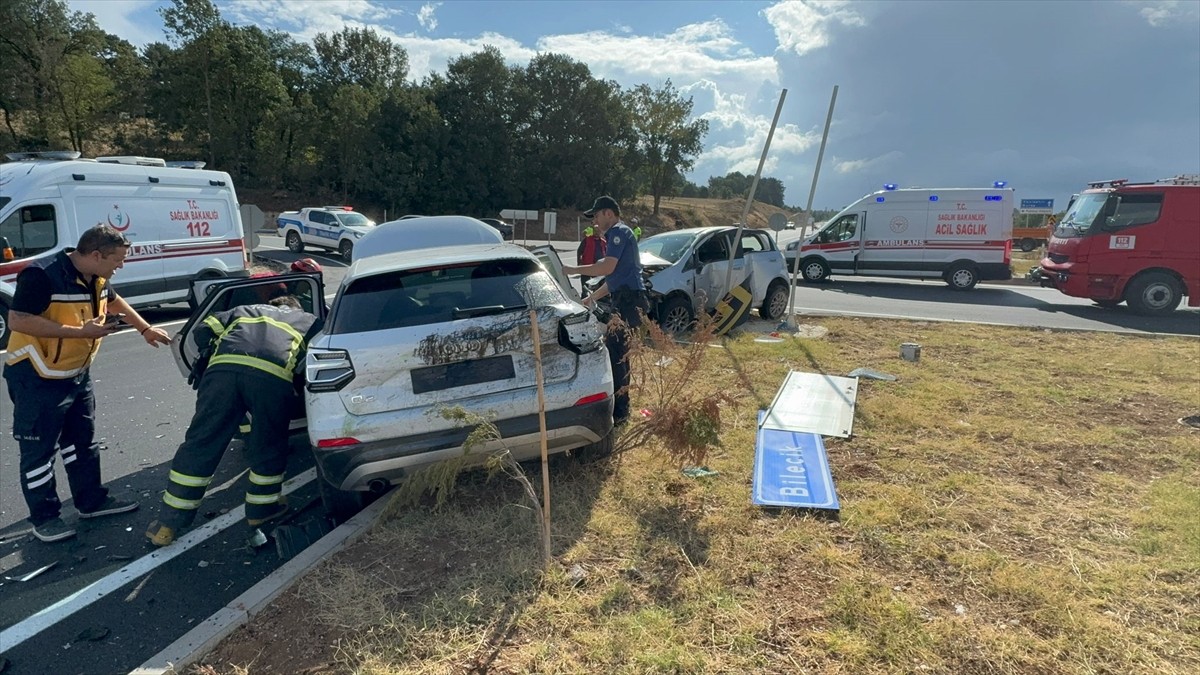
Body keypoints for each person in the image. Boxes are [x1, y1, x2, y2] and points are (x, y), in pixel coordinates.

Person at [5, 225, 172, 543]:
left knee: (82, 443)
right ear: (96, 255)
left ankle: (91, 502)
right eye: (118, 260)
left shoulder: (97, 275)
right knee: (39, 452)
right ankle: (45, 519)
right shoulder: (41, 274)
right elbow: (18, 320)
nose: (120, 266)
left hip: (76, 375)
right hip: (36, 377)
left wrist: (145, 328)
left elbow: (113, 301)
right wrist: (80, 332)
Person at [146, 294, 318, 546]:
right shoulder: (308, 320)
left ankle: (167, 525)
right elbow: (318, 354)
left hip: (222, 376)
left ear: (272, 305)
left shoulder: (244, 309)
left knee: (201, 444)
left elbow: (202, 331)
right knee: (269, 444)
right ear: (294, 308)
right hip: (271, 380)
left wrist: (212, 354)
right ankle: (262, 510)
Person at [562, 196, 647, 424]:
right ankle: (622, 405)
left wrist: (571, 269)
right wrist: (590, 298)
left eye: (597, 216)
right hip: (626, 300)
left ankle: (621, 410)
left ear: (609, 213)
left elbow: (606, 267)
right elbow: (613, 279)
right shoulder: (618, 235)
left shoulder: (618, 232)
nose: (596, 222)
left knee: (616, 353)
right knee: (619, 353)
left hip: (629, 302)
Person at [575, 226, 607, 296]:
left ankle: (595, 300)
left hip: (597, 267)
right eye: (595, 231)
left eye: (598, 231)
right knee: (585, 286)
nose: (597, 232)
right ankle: (584, 299)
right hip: (586, 265)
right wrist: (579, 262)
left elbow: (607, 254)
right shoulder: (587, 240)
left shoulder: (603, 242)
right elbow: (579, 251)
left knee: (597, 287)